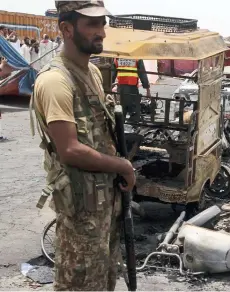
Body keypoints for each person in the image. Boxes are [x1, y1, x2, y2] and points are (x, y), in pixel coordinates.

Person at [30, 1, 134, 290]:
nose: (101, 31)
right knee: (79, 283)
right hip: (81, 210)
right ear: (65, 28)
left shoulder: (94, 73)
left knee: (103, 280)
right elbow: (70, 150)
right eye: (92, 24)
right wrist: (123, 166)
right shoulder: (55, 80)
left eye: (103, 23)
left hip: (104, 203)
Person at [111, 58, 151, 122]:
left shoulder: (118, 58)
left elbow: (112, 75)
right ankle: (134, 127)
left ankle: (121, 128)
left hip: (121, 89)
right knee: (134, 111)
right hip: (132, 89)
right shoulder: (136, 57)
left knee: (121, 111)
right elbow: (142, 74)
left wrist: (108, 87)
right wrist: (147, 90)